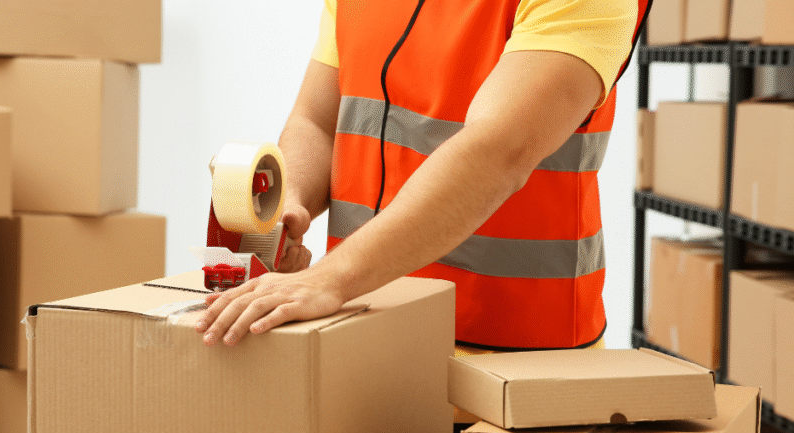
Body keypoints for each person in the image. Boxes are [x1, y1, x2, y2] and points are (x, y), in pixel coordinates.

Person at [196, 0, 649, 351]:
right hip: (361, 326)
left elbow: (500, 149)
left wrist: (329, 279)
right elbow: (316, 119)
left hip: (515, 357)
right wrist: (288, 205)